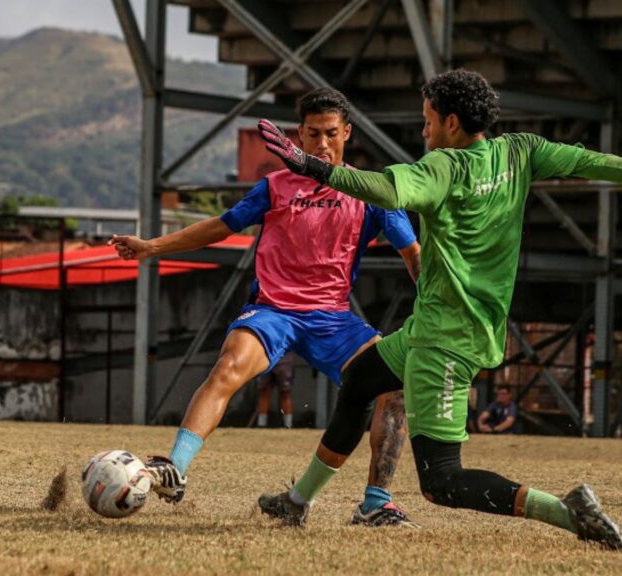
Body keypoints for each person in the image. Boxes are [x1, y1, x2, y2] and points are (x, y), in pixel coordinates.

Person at [252, 69, 622, 550]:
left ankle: (569, 513)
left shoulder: (443, 167)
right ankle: (297, 500)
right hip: (434, 328)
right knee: (359, 381)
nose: (424, 132)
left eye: (428, 121)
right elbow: (594, 161)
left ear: (452, 123)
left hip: (446, 343)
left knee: (442, 481)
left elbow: (387, 190)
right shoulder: (520, 152)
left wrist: (310, 165)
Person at [111, 88, 422, 527]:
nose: (321, 145)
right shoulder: (275, 186)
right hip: (273, 311)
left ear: (347, 133)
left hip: (333, 320)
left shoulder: (370, 192)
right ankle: (175, 469)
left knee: (393, 388)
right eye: (312, 134)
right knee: (228, 366)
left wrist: (437, 306)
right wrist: (151, 246)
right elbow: (220, 227)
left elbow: (413, 255)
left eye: (331, 134)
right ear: (299, 135)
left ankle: (376, 501)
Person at [256, 352, 293, 428]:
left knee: (285, 393)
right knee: (264, 392)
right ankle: (261, 424)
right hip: (265, 361)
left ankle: (288, 425)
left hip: (284, 361)